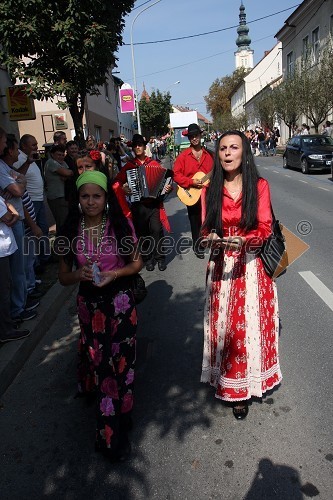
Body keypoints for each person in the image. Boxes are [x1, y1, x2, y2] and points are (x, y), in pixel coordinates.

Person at [58, 170, 143, 462]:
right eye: (85, 196)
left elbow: (136, 264)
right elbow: (62, 278)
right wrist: (78, 274)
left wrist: (113, 273)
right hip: (89, 308)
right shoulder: (70, 230)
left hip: (120, 305)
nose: (91, 202)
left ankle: (123, 415)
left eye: (97, 196)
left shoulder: (120, 225)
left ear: (106, 198)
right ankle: (109, 431)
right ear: (77, 199)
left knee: (122, 364)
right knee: (102, 366)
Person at [200, 130, 282, 420]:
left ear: (244, 152)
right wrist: (210, 237)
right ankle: (226, 382)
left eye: (233, 147)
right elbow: (204, 228)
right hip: (222, 264)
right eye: (222, 148)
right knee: (226, 330)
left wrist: (245, 241)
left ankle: (245, 389)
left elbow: (265, 227)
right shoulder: (208, 190)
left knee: (248, 328)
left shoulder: (259, 185)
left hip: (251, 263)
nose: (227, 153)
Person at [115, 134, 172, 272]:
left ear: (145, 147)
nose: (137, 147)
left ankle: (160, 258)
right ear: (133, 148)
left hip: (153, 204)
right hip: (138, 205)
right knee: (142, 233)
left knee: (157, 230)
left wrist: (168, 188)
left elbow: (165, 183)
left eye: (140, 145)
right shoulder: (129, 166)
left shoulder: (153, 163)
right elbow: (117, 182)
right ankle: (148, 259)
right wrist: (123, 188)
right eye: (135, 146)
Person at [173, 123, 213, 258]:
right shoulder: (183, 156)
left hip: (207, 193)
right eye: (191, 136)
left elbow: (215, 174)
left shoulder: (209, 155)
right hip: (191, 194)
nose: (194, 138)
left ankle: (208, 242)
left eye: (196, 135)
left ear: (200, 135)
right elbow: (176, 174)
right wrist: (191, 182)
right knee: (195, 221)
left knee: (208, 219)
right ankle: (198, 247)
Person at [44, 144, 74, 234]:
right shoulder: (51, 162)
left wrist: (67, 174)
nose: (61, 157)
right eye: (58, 155)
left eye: (62, 155)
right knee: (62, 222)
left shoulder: (63, 163)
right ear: (52, 154)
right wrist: (67, 174)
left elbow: (69, 174)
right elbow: (67, 173)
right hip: (56, 197)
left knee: (66, 221)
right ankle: (61, 244)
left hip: (64, 196)